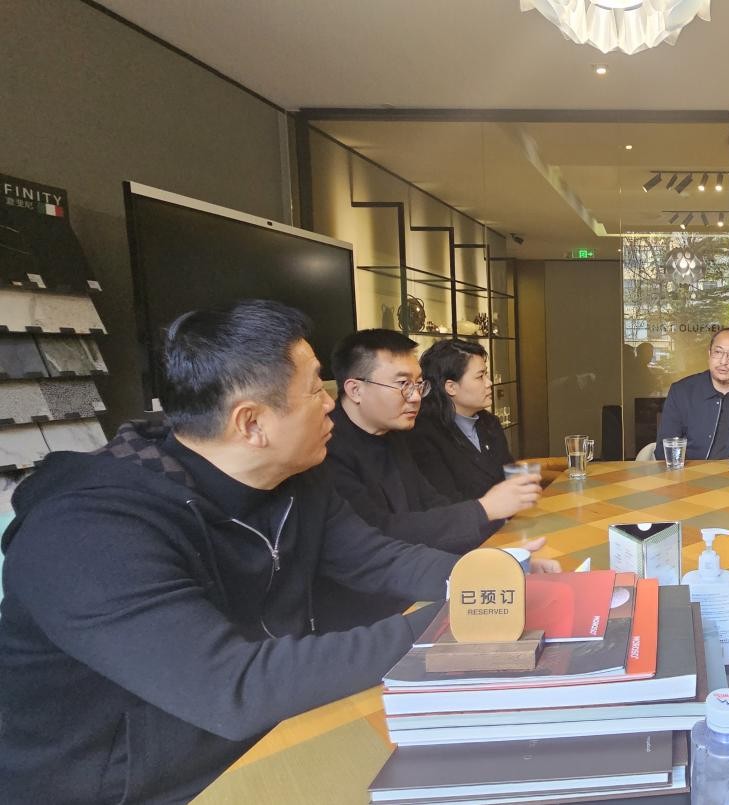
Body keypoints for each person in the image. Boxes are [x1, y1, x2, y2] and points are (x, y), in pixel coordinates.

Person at [0, 301, 466, 803]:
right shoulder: (87, 532)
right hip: (128, 789)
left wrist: (493, 579)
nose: (331, 403)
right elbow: (234, 686)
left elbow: (380, 559)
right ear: (251, 423)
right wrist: (461, 620)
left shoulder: (298, 478)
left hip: (258, 741)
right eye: (316, 388)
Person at [320, 329, 546, 628]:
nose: (416, 397)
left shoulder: (394, 434)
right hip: (371, 616)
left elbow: (431, 502)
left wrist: (496, 560)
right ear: (355, 390)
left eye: (418, 384)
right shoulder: (326, 450)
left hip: (421, 585)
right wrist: (484, 510)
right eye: (403, 384)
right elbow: (378, 534)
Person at [406, 339, 513, 501]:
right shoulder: (423, 435)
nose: (489, 383)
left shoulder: (490, 423)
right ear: (451, 387)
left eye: (486, 374)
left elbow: (510, 478)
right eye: (480, 376)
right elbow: (445, 502)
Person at [654, 327, 729, 460]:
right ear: (709, 355)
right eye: (718, 352)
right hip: (687, 471)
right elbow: (664, 450)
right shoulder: (681, 392)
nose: (723, 361)